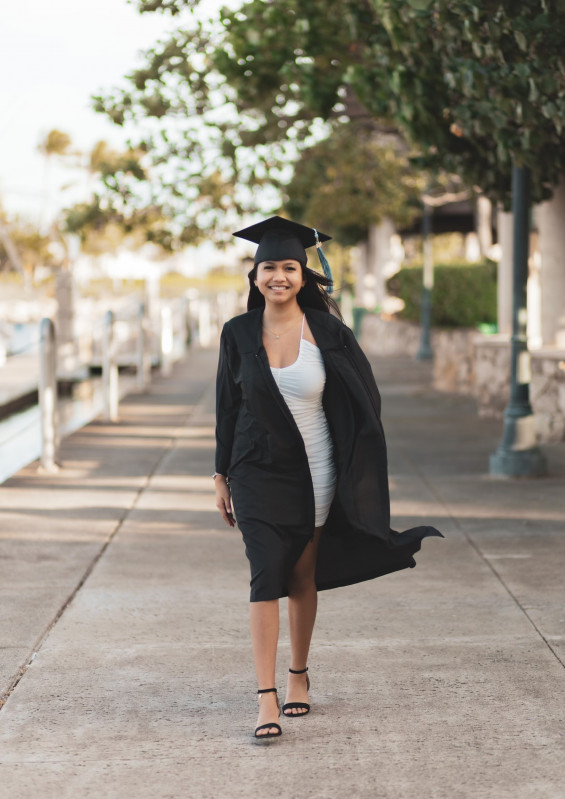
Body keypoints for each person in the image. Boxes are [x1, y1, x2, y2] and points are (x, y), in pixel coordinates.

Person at [214, 216, 442, 742]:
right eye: (269, 267)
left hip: (316, 469)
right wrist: (220, 472)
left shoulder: (330, 333)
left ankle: (299, 676)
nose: (279, 276)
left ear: (303, 274)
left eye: (289, 267)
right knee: (265, 573)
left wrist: (360, 459)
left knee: (301, 577)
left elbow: (363, 398)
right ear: (254, 275)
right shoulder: (237, 333)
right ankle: (264, 695)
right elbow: (227, 407)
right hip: (254, 472)